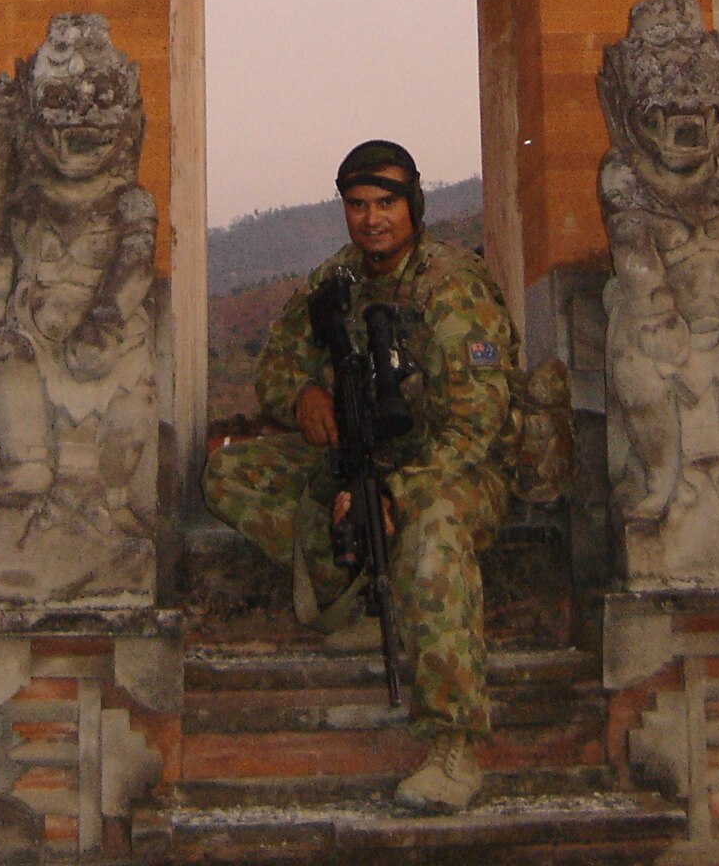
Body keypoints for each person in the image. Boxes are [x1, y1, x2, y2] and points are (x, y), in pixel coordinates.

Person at [200, 139, 520, 815]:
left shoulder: (452, 285)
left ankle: (454, 743)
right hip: (362, 459)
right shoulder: (334, 283)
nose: (372, 219)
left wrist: (398, 495)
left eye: (386, 203)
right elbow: (277, 364)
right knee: (231, 474)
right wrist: (303, 400)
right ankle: (361, 594)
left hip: (454, 470)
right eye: (357, 205)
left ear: (414, 206)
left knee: (432, 540)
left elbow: (474, 427)